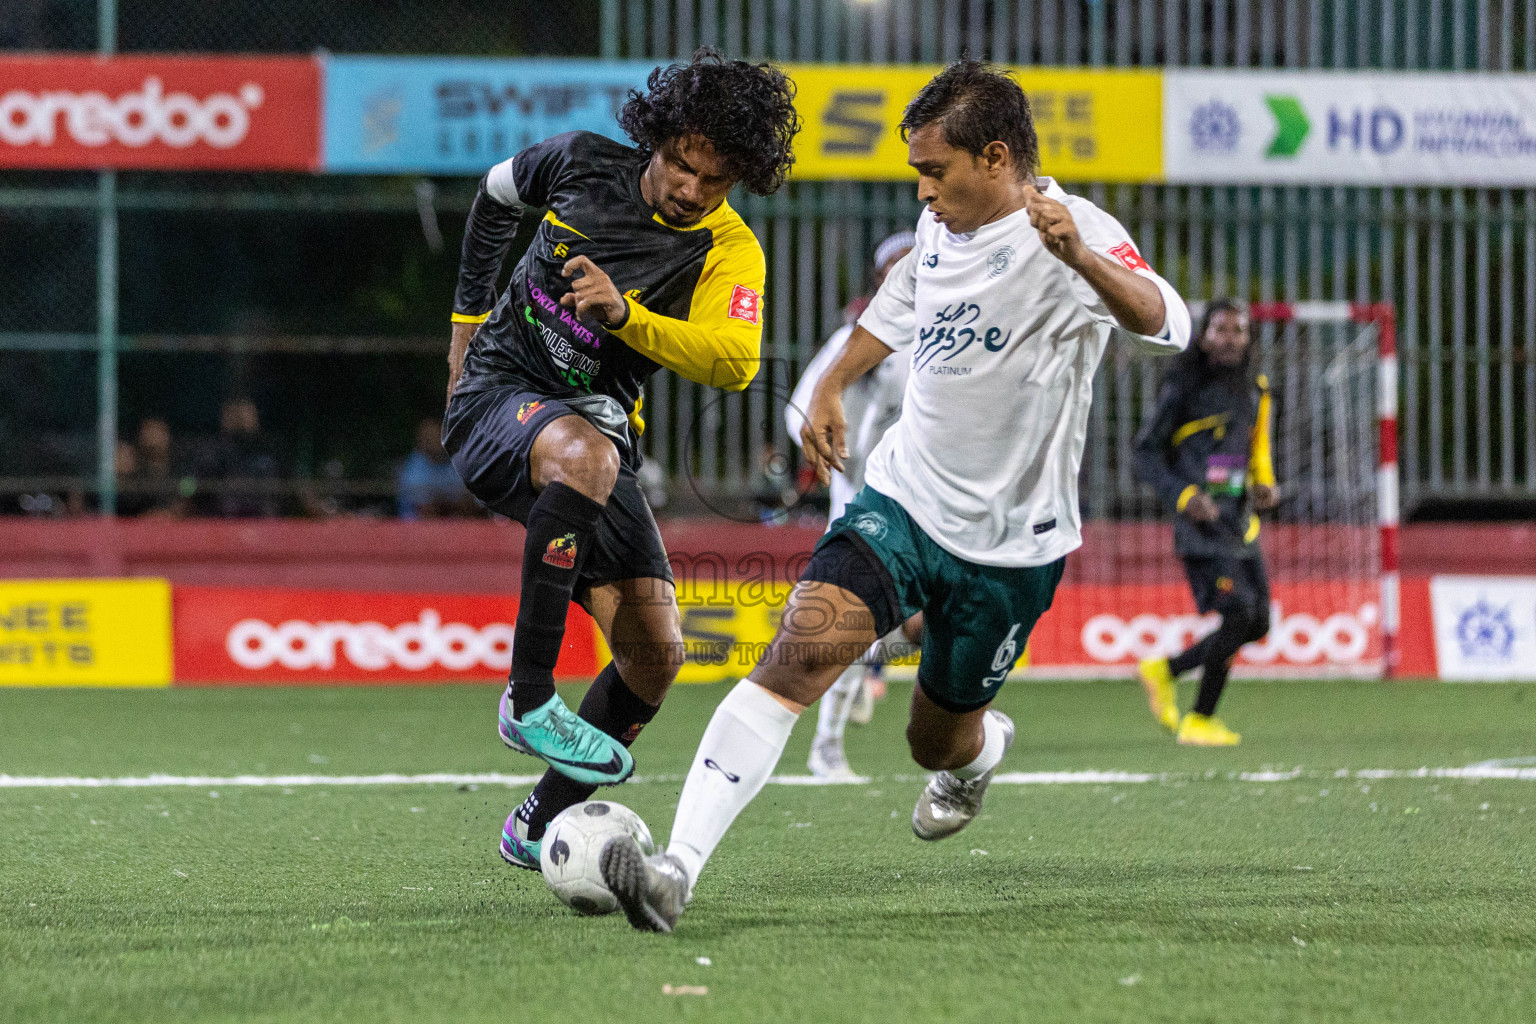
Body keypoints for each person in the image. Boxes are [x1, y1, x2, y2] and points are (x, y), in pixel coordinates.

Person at [600, 59, 1190, 932]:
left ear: (995, 158)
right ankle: (675, 869)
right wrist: (835, 381)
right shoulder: (939, 231)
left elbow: (1165, 320)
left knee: (934, 739)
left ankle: (979, 755)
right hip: (901, 507)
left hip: (1013, 547)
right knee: (793, 659)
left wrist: (1083, 261)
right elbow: (898, 301)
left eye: (934, 170)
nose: (922, 189)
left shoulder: (1074, 229)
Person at [441, 49, 800, 871]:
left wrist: (626, 315)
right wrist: (464, 327)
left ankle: (537, 823)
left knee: (655, 653)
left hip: (595, 436)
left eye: (715, 179)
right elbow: (493, 200)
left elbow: (734, 360)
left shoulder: (727, 251)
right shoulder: (577, 162)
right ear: (657, 138)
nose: (690, 189)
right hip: (497, 398)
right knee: (585, 457)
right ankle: (527, 699)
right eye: (681, 163)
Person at [785, 232, 923, 779]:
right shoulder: (860, 334)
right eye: (895, 264)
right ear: (879, 275)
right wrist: (825, 443)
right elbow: (802, 404)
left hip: (932, 500)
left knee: (935, 615)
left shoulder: (955, 330)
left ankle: (875, 669)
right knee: (850, 623)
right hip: (867, 500)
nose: (907, 271)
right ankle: (827, 746)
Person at [1131, 298, 1277, 746]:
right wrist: (1184, 496)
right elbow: (1143, 453)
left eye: (1238, 331)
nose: (1230, 339)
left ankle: (1166, 670)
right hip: (1200, 525)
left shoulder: (1257, 386)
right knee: (1238, 614)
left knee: (1259, 623)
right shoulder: (1183, 386)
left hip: (1238, 521)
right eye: (1220, 330)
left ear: (1248, 338)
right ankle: (1199, 720)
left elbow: (1260, 448)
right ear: (1204, 335)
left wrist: (1265, 483)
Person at [397, 417, 478, 519]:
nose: (434, 442)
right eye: (428, 438)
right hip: (416, 527)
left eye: (436, 436)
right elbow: (426, 508)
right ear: (421, 442)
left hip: (455, 523)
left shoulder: (457, 461)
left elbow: (469, 501)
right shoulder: (413, 468)